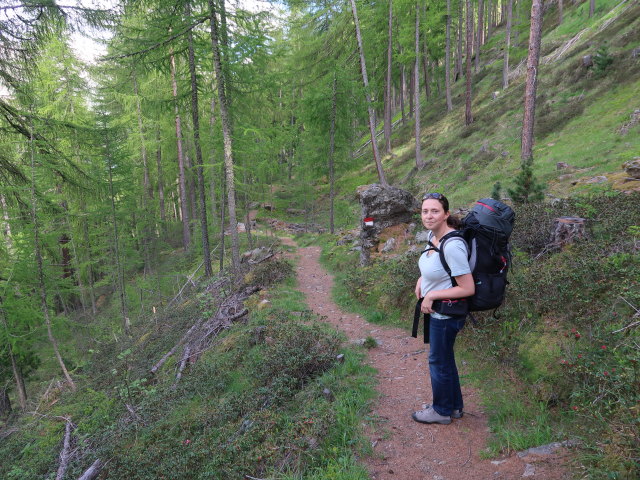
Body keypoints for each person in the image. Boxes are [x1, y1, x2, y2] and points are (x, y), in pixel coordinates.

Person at [412, 193, 475, 425]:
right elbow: (435, 266)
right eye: (425, 211)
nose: (429, 216)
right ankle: (454, 407)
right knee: (445, 360)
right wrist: (422, 280)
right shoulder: (433, 236)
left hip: (446, 314)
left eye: (435, 211)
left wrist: (433, 294)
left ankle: (441, 410)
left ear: (446, 214)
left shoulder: (453, 245)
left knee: (438, 361)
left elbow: (467, 288)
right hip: (439, 311)